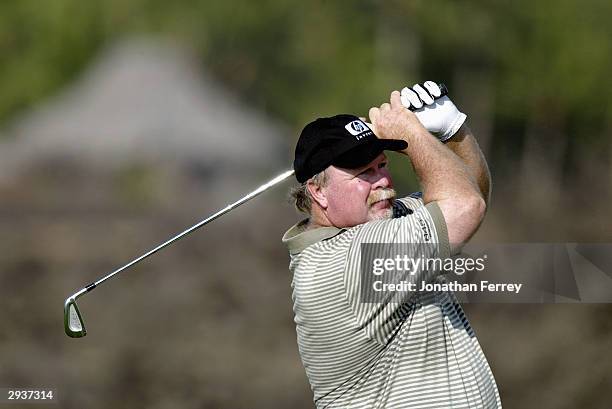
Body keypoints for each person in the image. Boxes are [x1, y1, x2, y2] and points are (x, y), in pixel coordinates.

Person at [282, 82, 501, 408]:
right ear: (318, 191)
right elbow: (465, 207)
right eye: (363, 173)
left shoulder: (382, 223)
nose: (382, 180)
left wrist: (453, 132)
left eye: (382, 164)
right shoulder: (345, 264)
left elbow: (471, 192)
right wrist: (412, 135)